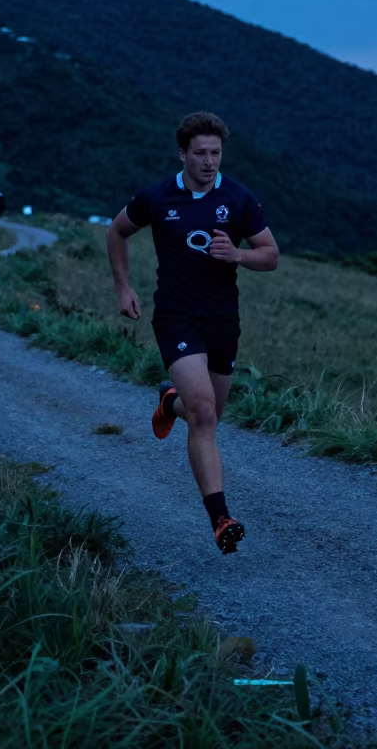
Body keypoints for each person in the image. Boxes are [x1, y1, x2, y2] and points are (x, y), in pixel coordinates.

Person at [106, 112, 279, 554]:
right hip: (176, 316)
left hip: (222, 320)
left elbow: (270, 256)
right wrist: (123, 285)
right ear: (182, 153)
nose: (208, 161)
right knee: (203, 414)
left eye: (215, 154)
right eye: (199, 153)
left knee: (209, 414)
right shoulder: (157, 197)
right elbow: (117, 230)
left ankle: (170, 400)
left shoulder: (239, 199)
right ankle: (220, 517)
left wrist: (236, 255)